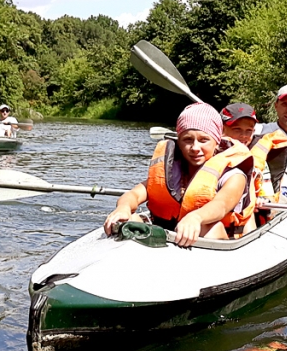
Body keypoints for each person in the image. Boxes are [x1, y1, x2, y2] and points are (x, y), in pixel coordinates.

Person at [103, 103, 254, 247]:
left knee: (210, 228)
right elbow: (135, 194)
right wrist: (123, 207)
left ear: (217, 141)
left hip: (214, 239)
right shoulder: (171, 171)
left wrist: (196, 217)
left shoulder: (234, 176)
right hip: (171, 234)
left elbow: (221, 205)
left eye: (204, 140)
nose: (195, 148)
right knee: (130, 220)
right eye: (187, 140)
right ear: (179, 142)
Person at [220, 102, 287, 224]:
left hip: (248, 214)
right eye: (237, 129)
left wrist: (262, 201)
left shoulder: (258, 158)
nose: (243, 136)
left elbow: (267, 195)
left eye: (248, 131)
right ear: (222, 129)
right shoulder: (207, 151)